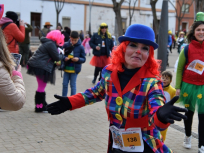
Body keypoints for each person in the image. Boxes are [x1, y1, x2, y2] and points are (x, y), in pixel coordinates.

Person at [47, 23, 188, 153]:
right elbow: (95, 93)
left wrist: (161, 116)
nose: (139, 51)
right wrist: (70, 102)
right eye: (133, 45)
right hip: (118, 142)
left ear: (149, 55)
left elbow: (156, 107)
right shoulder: (109, 72)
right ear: (123, 48)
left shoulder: (152, 83)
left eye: (144, 48)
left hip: (144, 144)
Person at [175, 12, 204, 153]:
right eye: (198, 30)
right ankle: (188, 136)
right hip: (189, 85)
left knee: (203, 116)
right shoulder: (187, 49)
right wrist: (178, 87)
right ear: (193, 32)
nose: (201, 32)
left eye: (203, 30)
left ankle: (202, 145)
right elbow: (179, 69)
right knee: (189, 113)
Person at [27, 30, 64, 113]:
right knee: (41, 87)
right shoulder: (51, 44)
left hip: (38, 65)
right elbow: (57, 57)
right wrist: (63, 54)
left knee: (41, 86)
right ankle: (39, 106)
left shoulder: (48, 43)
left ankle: (42, 103)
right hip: (40, 66)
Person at [0, 6, 26, 111]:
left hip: (4, 54)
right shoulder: (12, 25)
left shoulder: (1, 24)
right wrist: (22, 26)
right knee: (8, 79)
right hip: (9, 55)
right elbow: (21, 38)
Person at [62, 31, 86, 96]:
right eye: (72, 40)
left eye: (75, 40)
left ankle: (72, 100)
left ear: (78, 38)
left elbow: (84, 59)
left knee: (73, 85)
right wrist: (64, 58)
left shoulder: (81, 47)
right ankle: (63, 99)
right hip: (66, 68)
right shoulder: (66, 44)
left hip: (74, 70)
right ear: (70, 37)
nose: (73, 42)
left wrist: (78, 59)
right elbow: (61, 54)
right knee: (64, 84)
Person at [160, 71, 176, 142]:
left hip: (166, 114)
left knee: (163, 130)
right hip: (156, 112)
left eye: (167, 78)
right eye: (163, 78)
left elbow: (175, 101)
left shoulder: (172, 91)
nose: (164, 80)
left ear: (171, 81)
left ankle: (161, 143)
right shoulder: (157, 88)